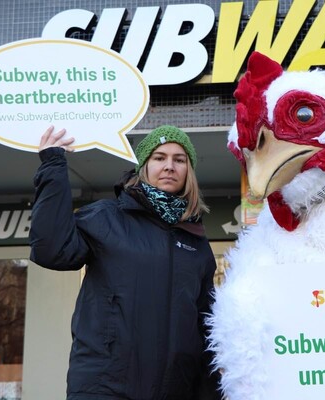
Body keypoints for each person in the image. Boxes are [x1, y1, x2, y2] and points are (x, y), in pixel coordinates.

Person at [29, 125, 222, 400]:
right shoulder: (107, 218)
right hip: (106, 388)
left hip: (176, 391)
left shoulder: (196, 241)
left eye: (179, 160)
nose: (169, 166)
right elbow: (52, 250)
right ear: (143, 167)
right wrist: (52, 166)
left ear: (188, 171)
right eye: (159, 157)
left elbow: (205, 327)